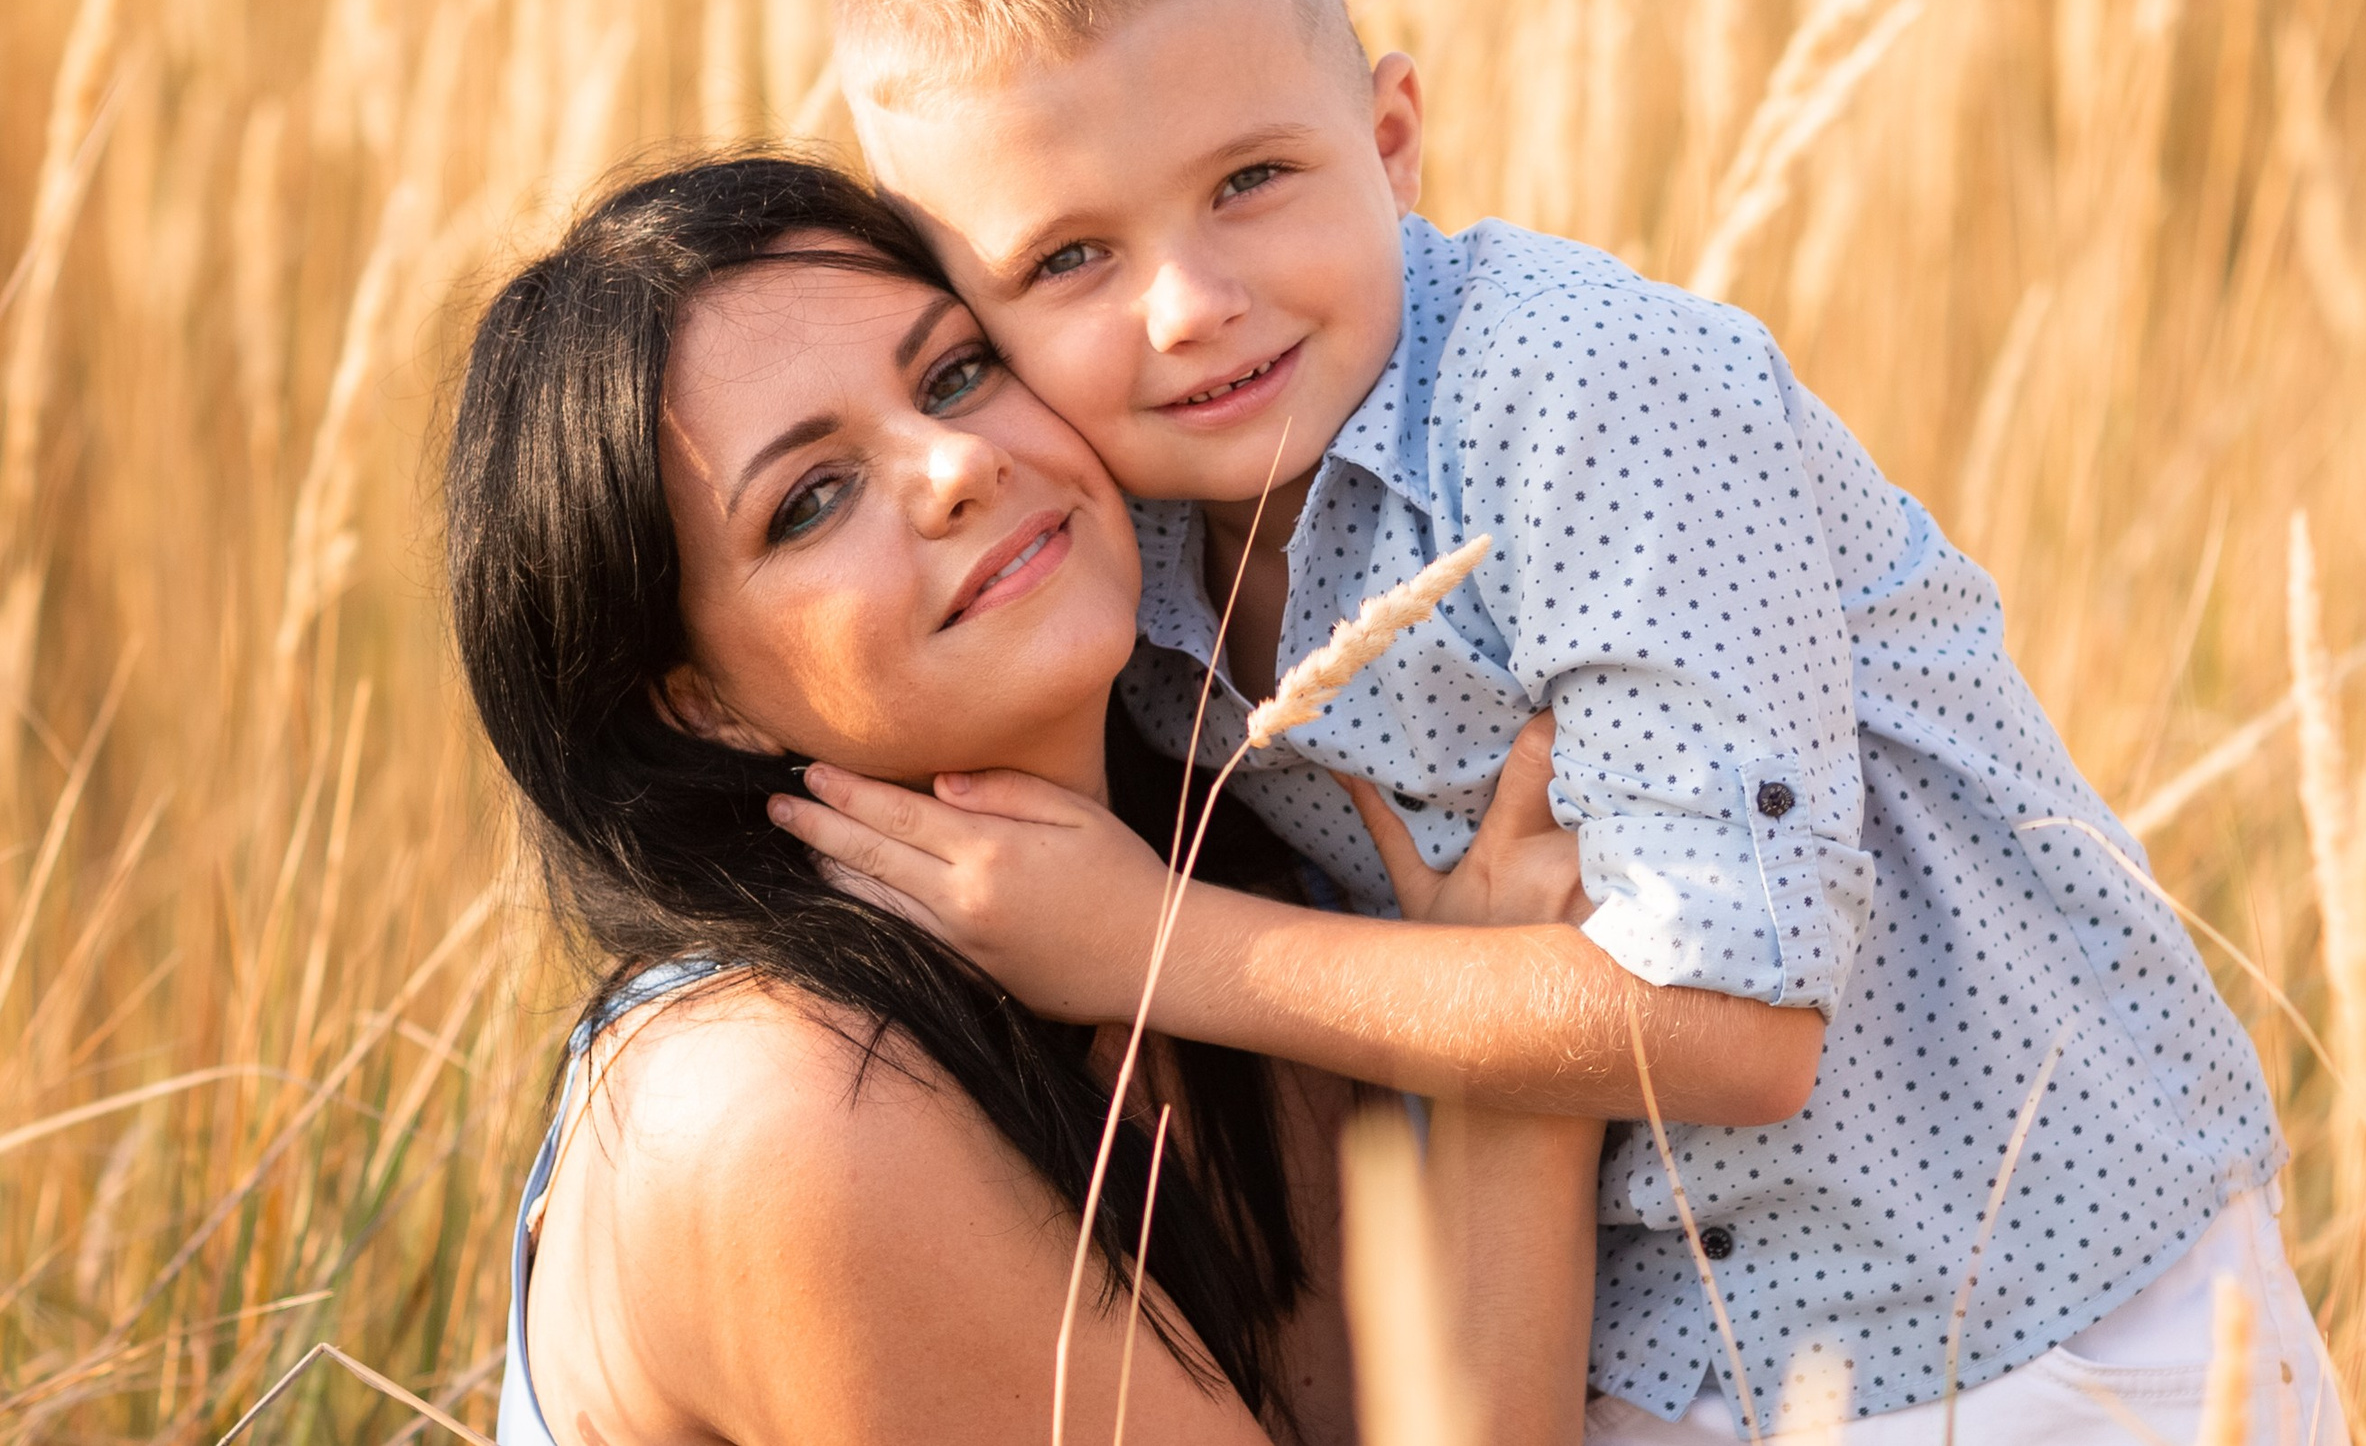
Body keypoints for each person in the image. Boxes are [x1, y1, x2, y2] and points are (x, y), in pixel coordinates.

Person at [792, 0, 2347, 1442]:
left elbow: (1736, 1025)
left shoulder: (1589, 395)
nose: (1191, 304)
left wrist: (1145, 946)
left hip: (2034, 1319)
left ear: (1393, 139)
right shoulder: (1114, 544)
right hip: (1648, 1361)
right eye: (1069, 260)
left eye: (1251, 179)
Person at [445, 155, 1603, 1446]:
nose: (956, 463)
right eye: (811, 502)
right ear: (695, 702)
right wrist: (1521, 1063)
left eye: (955, 374)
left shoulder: (1246, 876)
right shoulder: (776, 1112)